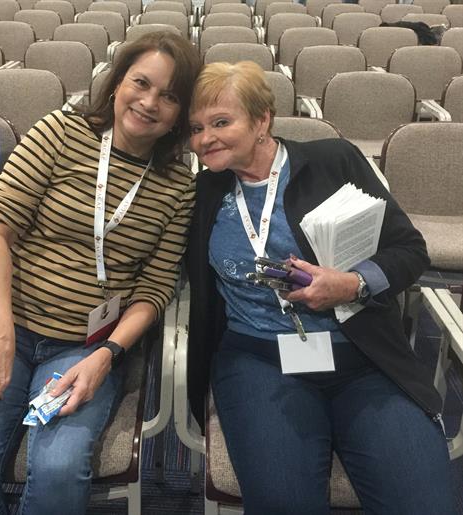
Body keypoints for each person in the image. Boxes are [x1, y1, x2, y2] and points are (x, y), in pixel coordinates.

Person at [0, 32, 200, 514]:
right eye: (140, 83)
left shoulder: (178, 184)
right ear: (117, 80)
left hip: (86, 346)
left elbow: (156, 286)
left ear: (181, 113)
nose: (148, 102)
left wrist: (108, 353)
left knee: (60, 474)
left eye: (169, 96)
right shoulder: (60, 132)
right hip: (5, 327)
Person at [186, 61, 456, 515]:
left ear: (262, 120)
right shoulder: (201, 193)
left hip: (361, 355)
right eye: (195, 128)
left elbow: (410, 251)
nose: (204, 138)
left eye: (221, 122)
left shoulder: (335, 161)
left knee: (425, 504)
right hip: (258, 359)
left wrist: (353, 284)